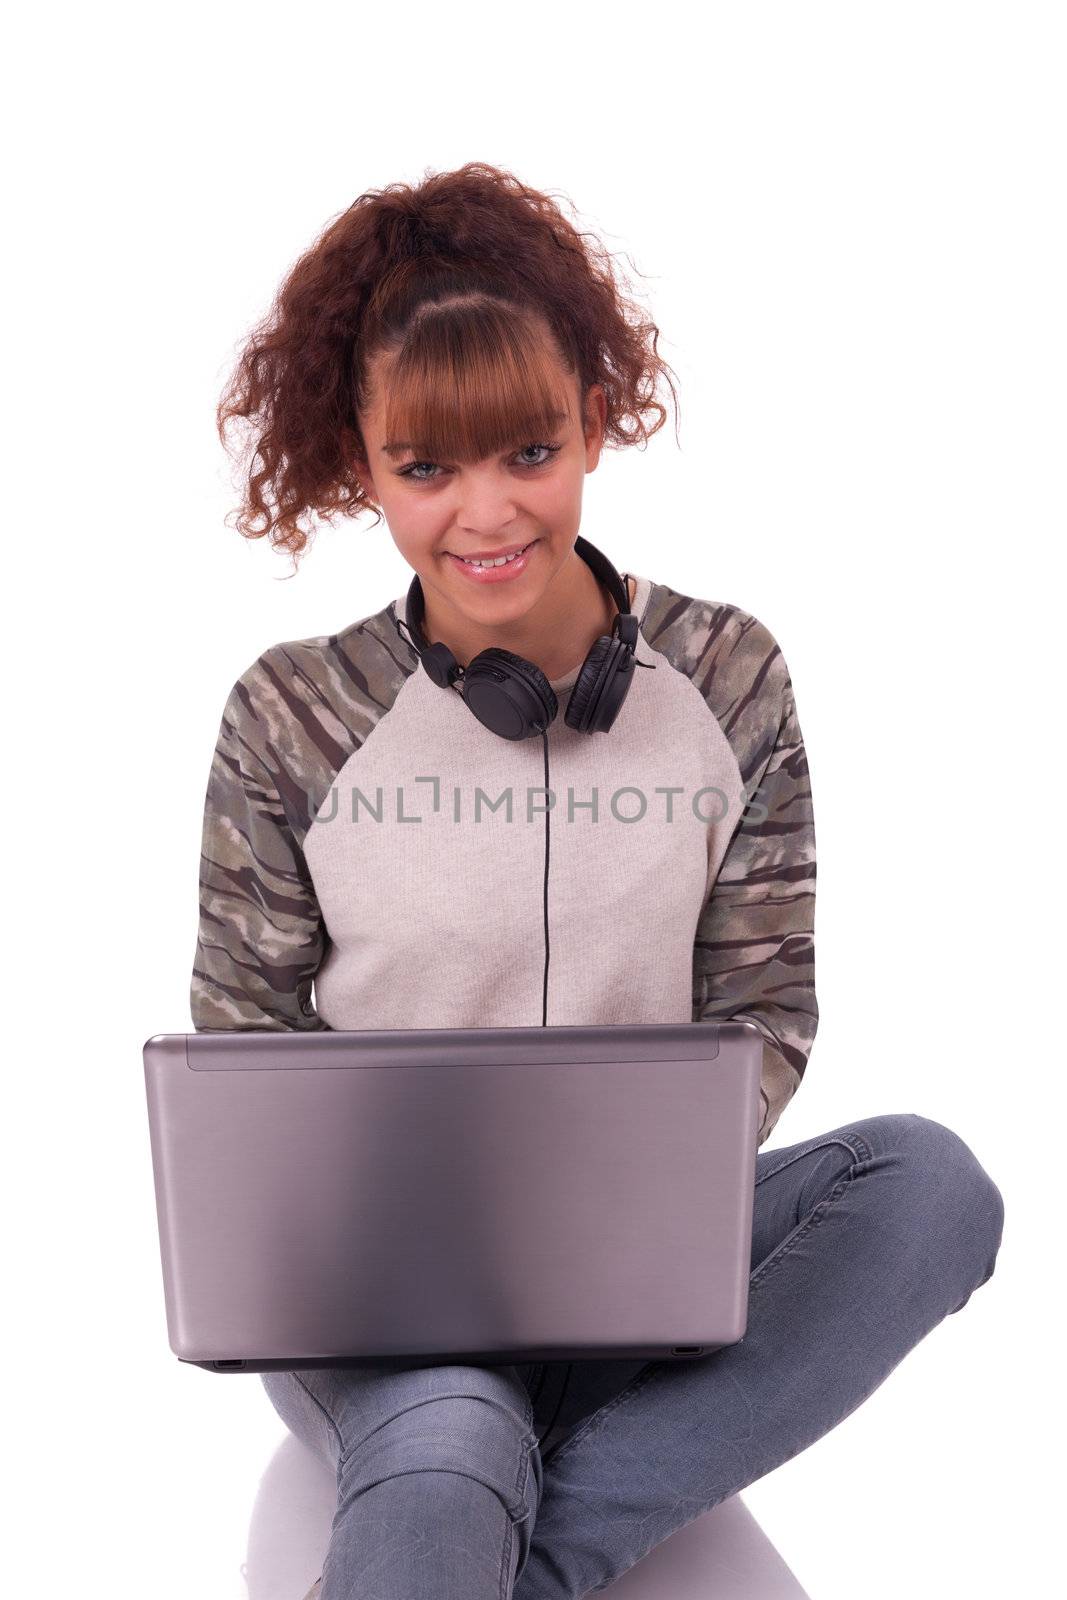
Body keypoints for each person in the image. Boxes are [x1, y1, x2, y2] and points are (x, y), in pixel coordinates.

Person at [189, 162, 1005, 1600]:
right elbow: (242, 1052)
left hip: (645, 1256)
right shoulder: (293, 713)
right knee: (444, 1438)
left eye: (528, 450)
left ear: (594, 426)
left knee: (930, 1188)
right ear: (358, 464)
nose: (485, 513)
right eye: (424, 467)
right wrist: (402, 1226)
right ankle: (463, 1471)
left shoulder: (731, 676)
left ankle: (531, 1552)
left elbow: (763, 1005)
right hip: (386, 1293)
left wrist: (614, 1205)